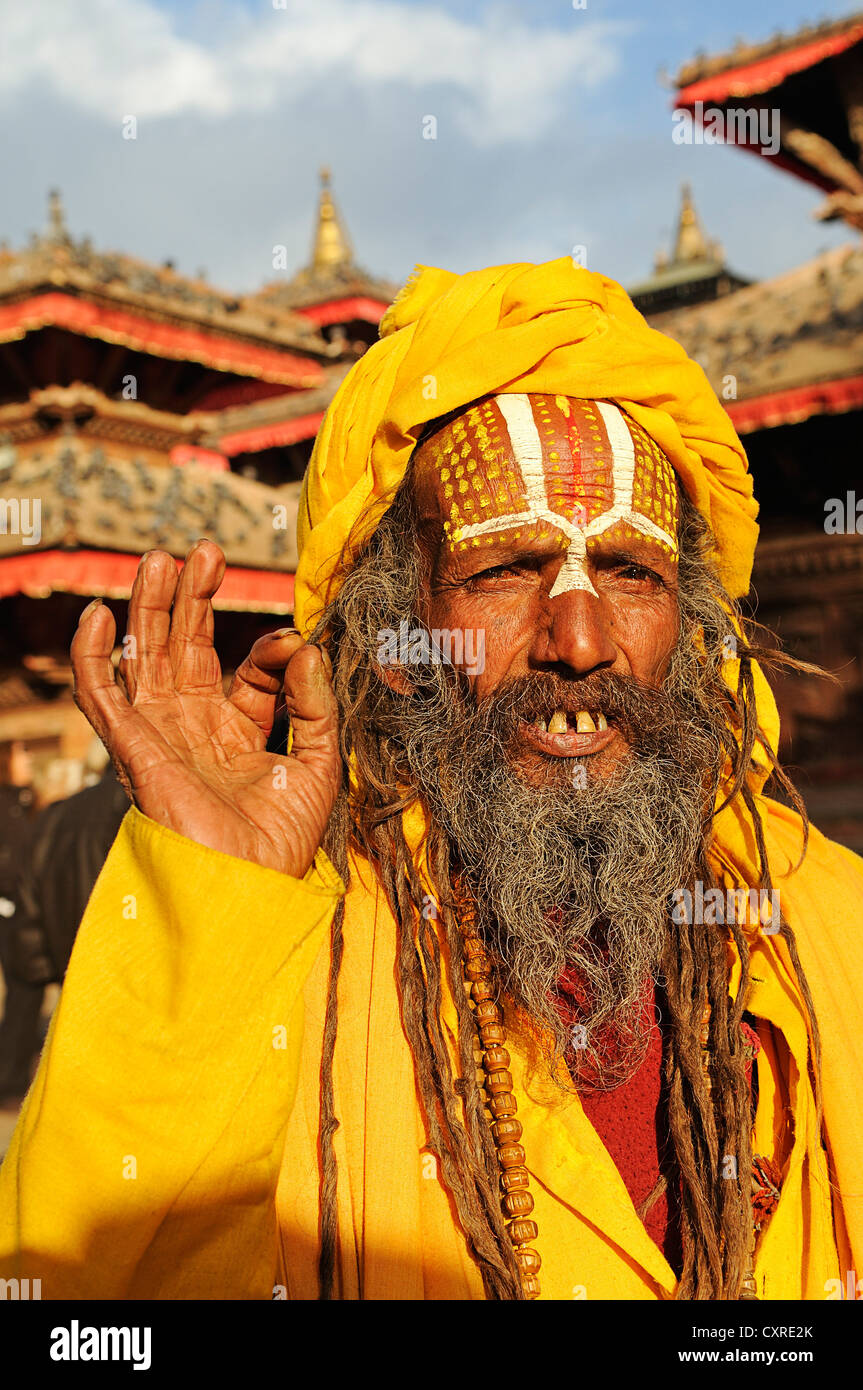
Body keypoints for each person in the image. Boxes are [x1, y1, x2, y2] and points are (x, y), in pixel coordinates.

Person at [1, 258, 861, 1300]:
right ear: (393, 630)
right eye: (504, 570)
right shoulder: (299, 954)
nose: (580, 640)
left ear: (686, 626)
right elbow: (85, 1301)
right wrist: (214, 911)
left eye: (630, 572)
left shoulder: (824, 925)